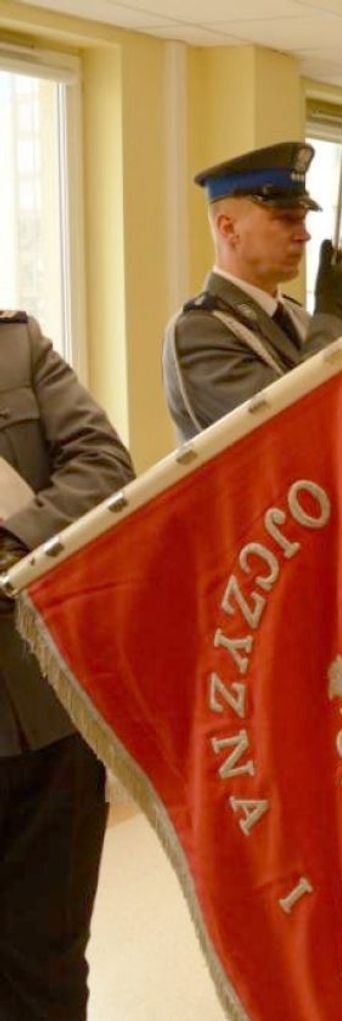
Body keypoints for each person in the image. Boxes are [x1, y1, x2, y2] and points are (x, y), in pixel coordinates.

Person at [0, 311, 136, 1019]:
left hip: (45, 711)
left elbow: (105, 466)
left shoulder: (15, 346)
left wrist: (12, 542)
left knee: (48, 968)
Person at [164, 141, 342, 441]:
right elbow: (292, 428)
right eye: (286, 219)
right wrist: (331, 315)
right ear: (229, 229)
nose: (304, 235)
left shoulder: (299, 318)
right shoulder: (198, 331)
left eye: (303, 219)